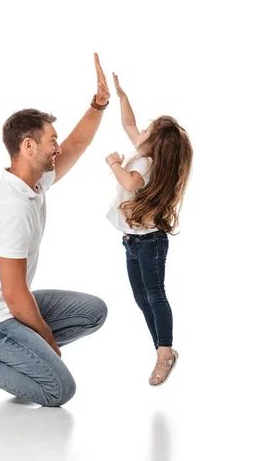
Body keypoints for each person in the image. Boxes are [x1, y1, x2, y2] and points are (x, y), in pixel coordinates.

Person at [0, 53, 110, 406]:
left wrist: (98, 104)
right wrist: (46, 338)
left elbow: (77, 144)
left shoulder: (34, 183)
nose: (58, 147)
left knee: (93, 311)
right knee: (58, 390)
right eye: (51, 141)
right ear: (28, 147)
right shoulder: (12, 207)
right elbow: (15, 296)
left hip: (6, 309)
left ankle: (22, 366)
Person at [105, 72, 193, 387]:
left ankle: (164, 352)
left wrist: (114, 163)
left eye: (148, 129)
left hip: (148, 243)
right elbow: (129, 125)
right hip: (134, 241)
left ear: (154, 141)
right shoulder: (144, 152)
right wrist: (122, 96)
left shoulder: (143, 163)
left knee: (154, 295)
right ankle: (162, 347)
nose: (140, 130)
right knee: (142, 296)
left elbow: (129, 181)